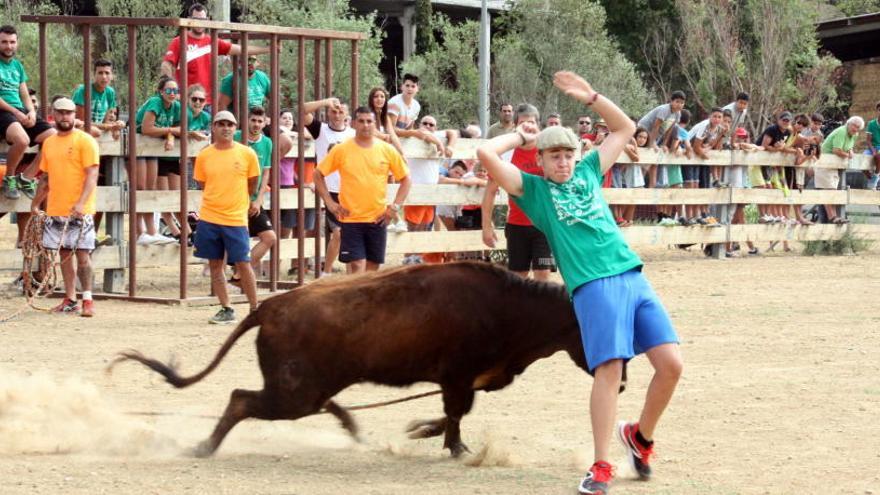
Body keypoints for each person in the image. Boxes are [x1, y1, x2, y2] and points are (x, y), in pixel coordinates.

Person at [477, 71, 682, 495]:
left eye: (567, 154)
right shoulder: (533, 192)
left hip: (631, 274)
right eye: (553, 156)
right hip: (593, 285)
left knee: (672, 366)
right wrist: (519, 136)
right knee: (609, 370)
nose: (563, 162)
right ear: (541, 161)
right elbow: (484, 152)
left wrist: (591, 97)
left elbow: (626, 128)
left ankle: (639, 438)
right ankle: (600, 466)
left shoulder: (589, 170)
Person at [314, 106, 411, 274]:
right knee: (357, 264)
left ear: (374, 124)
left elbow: (406, 179)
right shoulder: (341, 149)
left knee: (372, 269)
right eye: (361, 121)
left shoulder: (387, 150)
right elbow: (318, 174)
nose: (365, 125)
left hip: (378, 218)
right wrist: (329, 203)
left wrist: (394, 208)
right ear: (353, 123)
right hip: (351, 219)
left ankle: (365, 300)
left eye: (369, 121)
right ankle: (354, 298)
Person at [28, 98, 99, 317]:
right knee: (65, 255)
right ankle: (70, 298)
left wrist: (81, 202)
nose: (65, 117)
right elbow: (46, 177)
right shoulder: (49, 143)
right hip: (57, 209)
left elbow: (92, 174)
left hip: (81, 209)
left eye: (69, 113)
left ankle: (87, 298)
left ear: (74, 115)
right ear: (53, 114)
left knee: (83, 255)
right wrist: (36, 203)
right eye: (60, 113)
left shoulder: (85, 141)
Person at [192, 110, 260, 324]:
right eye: (221, 124)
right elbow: (203, 183)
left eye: (229, 124)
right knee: (215, 265)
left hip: (235, 219)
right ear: (213, 127)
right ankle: (226, 307)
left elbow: (252, 183)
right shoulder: (204, 155)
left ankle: (254, 308)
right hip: (209, 218)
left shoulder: (247, 154)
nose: (225, 128)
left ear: (235, 128)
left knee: (243, 263)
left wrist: (242, 202)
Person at [481, 103, 555, 281]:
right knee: (517, 277)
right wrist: (486, 227)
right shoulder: (507, 155)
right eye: (523, 123)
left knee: (543, 274)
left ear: (538, 125)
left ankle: (540, 310)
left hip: (544, 225)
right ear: (515, 127)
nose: (528, 127)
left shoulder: (548, 150)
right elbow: (490, 192)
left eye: (532, 122)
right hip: (517, 225)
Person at [160, 3, 270, 109]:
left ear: (207, 20)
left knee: (208, 128)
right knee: (185, 128)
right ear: (189, 19)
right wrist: (173, 91)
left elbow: (241, 49)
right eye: (196, 19)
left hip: (207, 102)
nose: (199, 23)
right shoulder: (179, 41)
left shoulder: (212, 41)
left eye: (202, 20)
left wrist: (269, 49)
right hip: (186, 101)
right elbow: (166, 65)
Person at [0, 24, 55, 200]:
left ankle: (27, 177)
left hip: (20, 110)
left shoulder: (17, 66)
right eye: (4, 42)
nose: (8, 46)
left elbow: (24, 93)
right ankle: (10, 177)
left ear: (17, 43)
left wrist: (31, 111)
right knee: (22, 140)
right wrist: (17, 113)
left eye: (12, 42)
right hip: (3, 110)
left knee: (53, 138)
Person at [303, 97, 355, 275]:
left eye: (341, 111)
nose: (337, 114)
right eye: (334, 111)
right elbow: (302, 111)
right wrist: (326, 102)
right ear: (328, 113)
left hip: (350, 190)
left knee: (349, 234)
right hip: (330, 190)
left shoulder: (353, 134)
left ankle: (351, 276)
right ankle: (326, 272)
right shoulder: (321, 130)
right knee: (339, 233)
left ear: (347, 115)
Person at [401, 115, 456, 264]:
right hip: (415, 190)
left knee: (425, 226)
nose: (428, 126)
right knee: (413, 227)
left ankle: (418, 258)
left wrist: (449, 146)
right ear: (420, 124)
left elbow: (452, 132)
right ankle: (408, 259)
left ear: (435, 128)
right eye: (425, 123)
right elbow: (396, 131)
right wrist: (438, 142)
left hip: (431, 192)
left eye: (432, 124)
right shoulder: (414, 138)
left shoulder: (436, 135)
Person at [134, 76, 181, 245]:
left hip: (151, 148)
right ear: (161, 92)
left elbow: (181, 128)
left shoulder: (176, 107)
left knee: (151, 188)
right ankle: (138, 232)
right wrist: (170, 130)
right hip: (137, 145)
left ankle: (151, 232)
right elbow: (146, 128)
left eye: (175, 90)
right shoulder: (155, 102)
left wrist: (169, 135)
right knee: (140, 188)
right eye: (168, 90)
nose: (172, 93)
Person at [231, 106, 276, 279]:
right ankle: (233, 276)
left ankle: (239, 274)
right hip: (235, 199)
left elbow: (266, 173)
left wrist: (258, 200)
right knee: (235, 240)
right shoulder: (236, 137)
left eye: (260, 121)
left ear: (265, 123)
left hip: (255, 200)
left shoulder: (267, 143)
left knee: (270, 237)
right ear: (247, 120)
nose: (256, 124)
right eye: (253, 120)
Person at [818, 116, 864, 224]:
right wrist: (848, 155)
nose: (855, 129)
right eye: (854, 126)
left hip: (834, 166)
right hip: (825, 163)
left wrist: (850, 150)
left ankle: (834, 217)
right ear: (849, 124)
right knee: (828, 191)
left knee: (832, 192)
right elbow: (836, 150)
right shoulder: (842, 131)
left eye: (858, 127)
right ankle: (832, 217)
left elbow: (848, 146)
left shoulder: (854, 135)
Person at [72, 59, 125, 139]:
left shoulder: (110, 92)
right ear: (94, 75)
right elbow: (80, 122)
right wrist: (108, 126)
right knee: (96, 131)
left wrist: (116, 126)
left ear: (112, 76)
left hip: (98, 132)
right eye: (100, 73)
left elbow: (108, 120)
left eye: (107, 73)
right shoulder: (83, 90)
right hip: (78, 131)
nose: (104, 77)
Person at [864, 102, 880, 190]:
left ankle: (875, 177)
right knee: (861, 160)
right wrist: (873, 150)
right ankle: (872, 179)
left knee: (879, 156)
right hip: (872, 147)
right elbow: (868, 140)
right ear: (877, 110)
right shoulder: (872, 123)